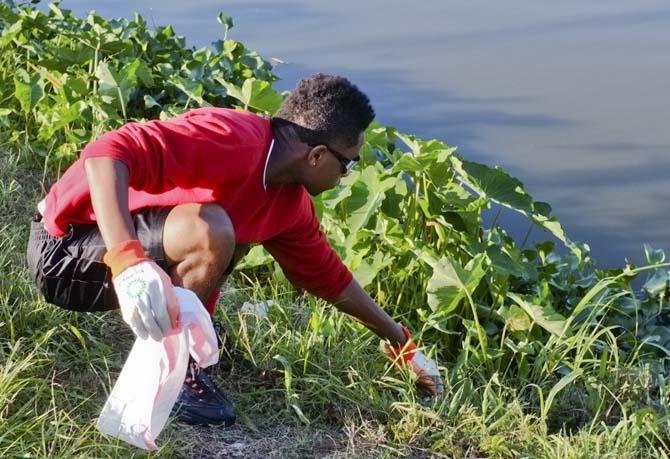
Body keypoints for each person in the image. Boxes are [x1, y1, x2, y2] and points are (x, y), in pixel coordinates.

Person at [27, 74, 443, 427]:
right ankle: (176, 371)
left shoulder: (289, 206)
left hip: (108, 256)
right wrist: (126, 260)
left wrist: (402, 343)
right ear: (317, 155)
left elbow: (329, 279)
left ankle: (189, 336)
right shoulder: (229, 138)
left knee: (228, 234)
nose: (347, 175)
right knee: (214, 229)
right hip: (63, 251)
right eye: (347, 164)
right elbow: (106, 153)